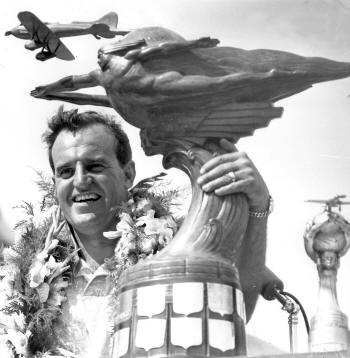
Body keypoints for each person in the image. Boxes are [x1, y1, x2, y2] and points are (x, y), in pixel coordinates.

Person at [1, 107, 272, 357]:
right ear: (55, 183)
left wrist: (258, 206)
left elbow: (231, 317)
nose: (81, 181)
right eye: (66, 171)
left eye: (95, 166)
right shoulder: (25, 272)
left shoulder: (173, 248)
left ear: (128, 174)